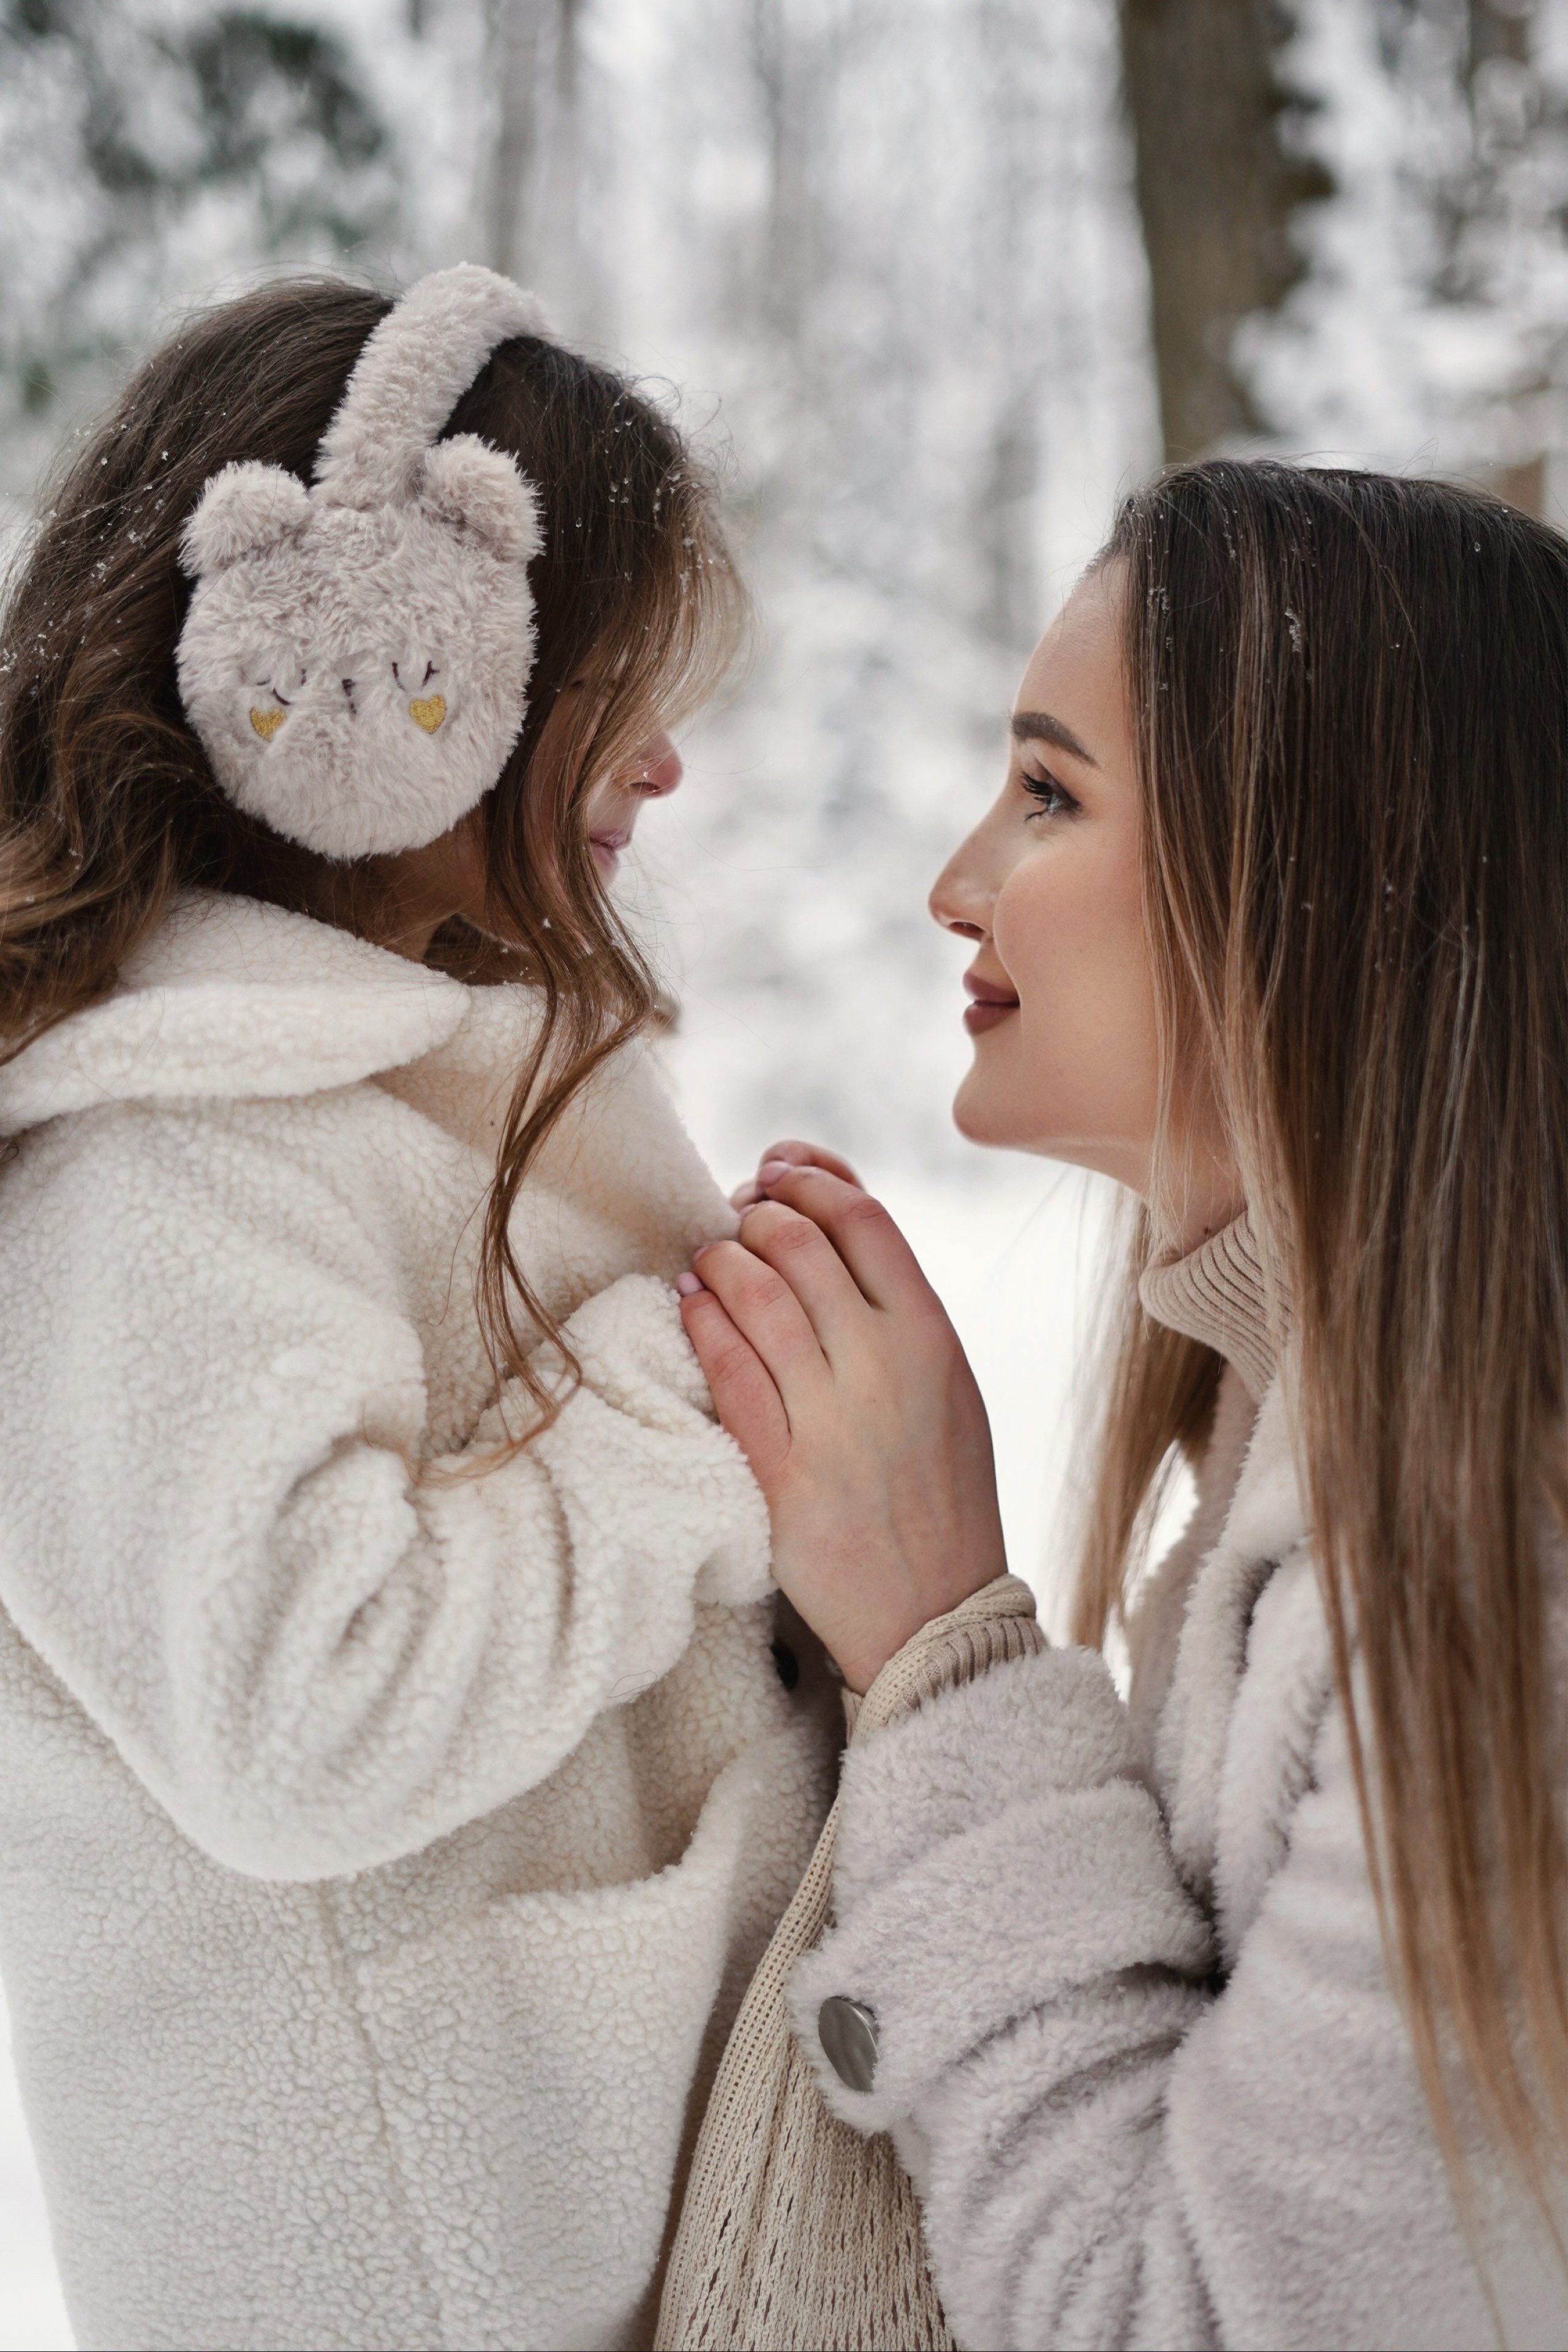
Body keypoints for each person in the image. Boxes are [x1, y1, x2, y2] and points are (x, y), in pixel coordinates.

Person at [0, 266, 835, 2352]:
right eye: (616, 687)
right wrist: (695, 1399)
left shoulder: (385, 1077)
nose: (665, 762)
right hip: (442, 2279)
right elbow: (308, 1709)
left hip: (596, 2218)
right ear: (394, 673)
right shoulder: (156, 1165)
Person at [677, 461, 1568, 2348]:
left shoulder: (1497, 1593)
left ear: (1332, 878)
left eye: (1051, 792)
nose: (958, 883)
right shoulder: (1320, 1472)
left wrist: (945, 1650)